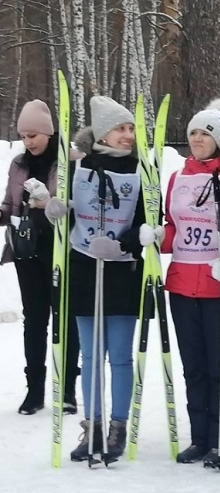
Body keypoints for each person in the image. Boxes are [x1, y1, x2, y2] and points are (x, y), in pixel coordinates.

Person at [45, 95, 147, 462]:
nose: (128, 135)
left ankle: (118, 426)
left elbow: (149, 220)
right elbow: (66, 211)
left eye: (131, 128)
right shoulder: (78, 167)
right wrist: (56, 209)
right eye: (121, 128)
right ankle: (94, 425)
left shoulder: (141, 169)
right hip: (86, 268)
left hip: (122, 270)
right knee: (90, 356)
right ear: (103, 133)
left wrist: (124, 243)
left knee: (119, 356)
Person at [158, 100, 220, 465]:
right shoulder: (178, 177)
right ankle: (199, 438)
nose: (197, 138)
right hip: (182, 282)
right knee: (193, 365)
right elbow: (172, 227)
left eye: (206, 133)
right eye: (193, 132)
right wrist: (155, 237)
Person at [1, 100, 80, 415]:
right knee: (34, 319)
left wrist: (52, 205)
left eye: (33, 134)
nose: (28, 141)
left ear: (48, 132)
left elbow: (81, 208)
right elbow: (9, 204)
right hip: (27, 250)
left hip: (63, 248)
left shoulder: (71, 161)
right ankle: (34, 390)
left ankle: (68, 390)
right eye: (23, 135)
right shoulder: (18, 164)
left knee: (66, 318)